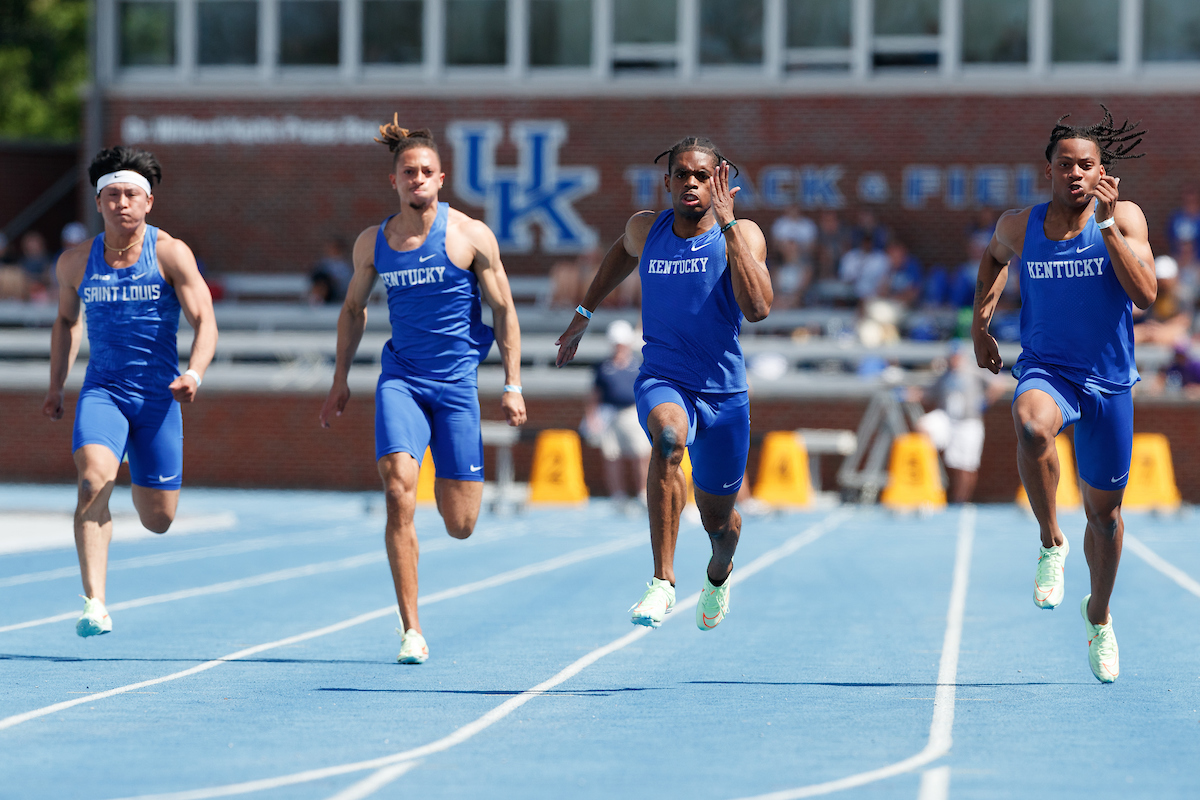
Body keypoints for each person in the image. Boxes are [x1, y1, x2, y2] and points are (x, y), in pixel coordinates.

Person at [319, 120, 526, 665]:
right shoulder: (374, 242)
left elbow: (505, 311)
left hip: (457, 386)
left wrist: (512, 383)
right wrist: (340, 379)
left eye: (426, 172)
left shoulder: (471, 236)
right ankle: (411, 628)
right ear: (394, 181)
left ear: (442, 177)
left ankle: (444, 479)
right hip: (402, 381)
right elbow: (353, 310)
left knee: (460, 525)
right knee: (396, 490)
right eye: (408, 172)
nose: (417, 179)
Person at [555, 136, 772, 632]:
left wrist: (730, 225)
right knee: (668, 439)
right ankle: (663, 582)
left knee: (721, 522)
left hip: (724, 395)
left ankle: (719, 573)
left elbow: (758, 309)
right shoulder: (645, 228)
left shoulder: (743, 233)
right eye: (683, 175)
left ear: (721, 182)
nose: (692, 184)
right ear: (668, 180)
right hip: (663, 378)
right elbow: (617, 255)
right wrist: (584, 313)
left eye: (704, 176)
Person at [972, 107, 1153, 683]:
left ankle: (1098, 615)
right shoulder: (1019, 225)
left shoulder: (1124, 216)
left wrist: (1106, 226)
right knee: (1029, 422)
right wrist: (981, 321)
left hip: (1110, 382)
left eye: (1088, 165)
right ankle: (1051, 541)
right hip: (1049, 370)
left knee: (1105, 517)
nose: (1076, 174)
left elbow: (1146, 294)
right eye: (1065, 164)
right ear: (1048, 170)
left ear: (1103, 172)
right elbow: (994, 260)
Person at [42, 146, 218, 637]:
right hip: (104, 390)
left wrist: (195, 373)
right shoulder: (76, 263)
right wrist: (56, 385)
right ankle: (94, 602)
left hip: (159, 397)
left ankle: (137, 473)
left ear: (148, 203)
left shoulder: (169, 253)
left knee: (158, 519)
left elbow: (205, 320)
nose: (122, 203)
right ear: (99, 203)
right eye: (112, 194)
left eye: (131, 195)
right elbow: (64, 320)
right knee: (92, 481)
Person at [582, 319, 651, 509]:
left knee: (641, 454)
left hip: (632, 413)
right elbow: (594, 394)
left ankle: (642, 493)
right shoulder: (602, 367)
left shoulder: (638, 364)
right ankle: (617, 495)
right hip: (609, 413)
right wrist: (591, 417)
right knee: (612, 456)